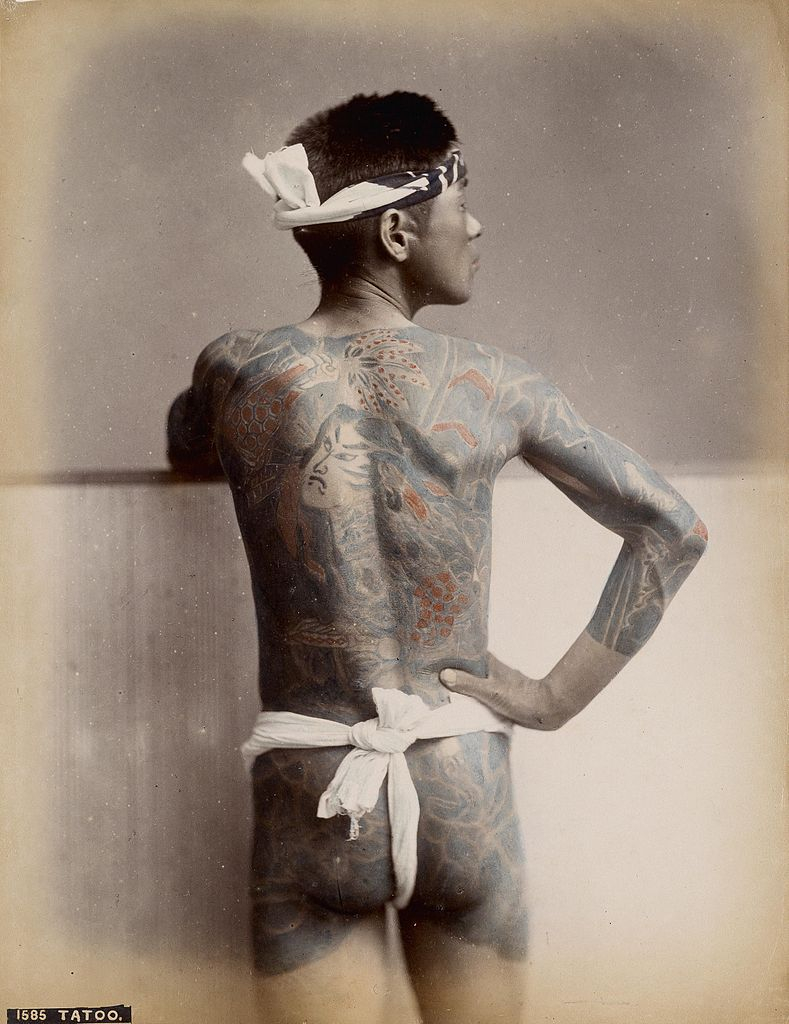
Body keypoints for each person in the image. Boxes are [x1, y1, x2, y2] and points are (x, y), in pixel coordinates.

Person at [167, 91, 707, 1024]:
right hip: (462, 783)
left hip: (314, 788)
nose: (477, 224)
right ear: (398, 232)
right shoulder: (497, 385)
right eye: (463, 203)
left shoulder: (236, 368)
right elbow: (673, 528)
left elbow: (185, 447)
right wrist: (553, 697)